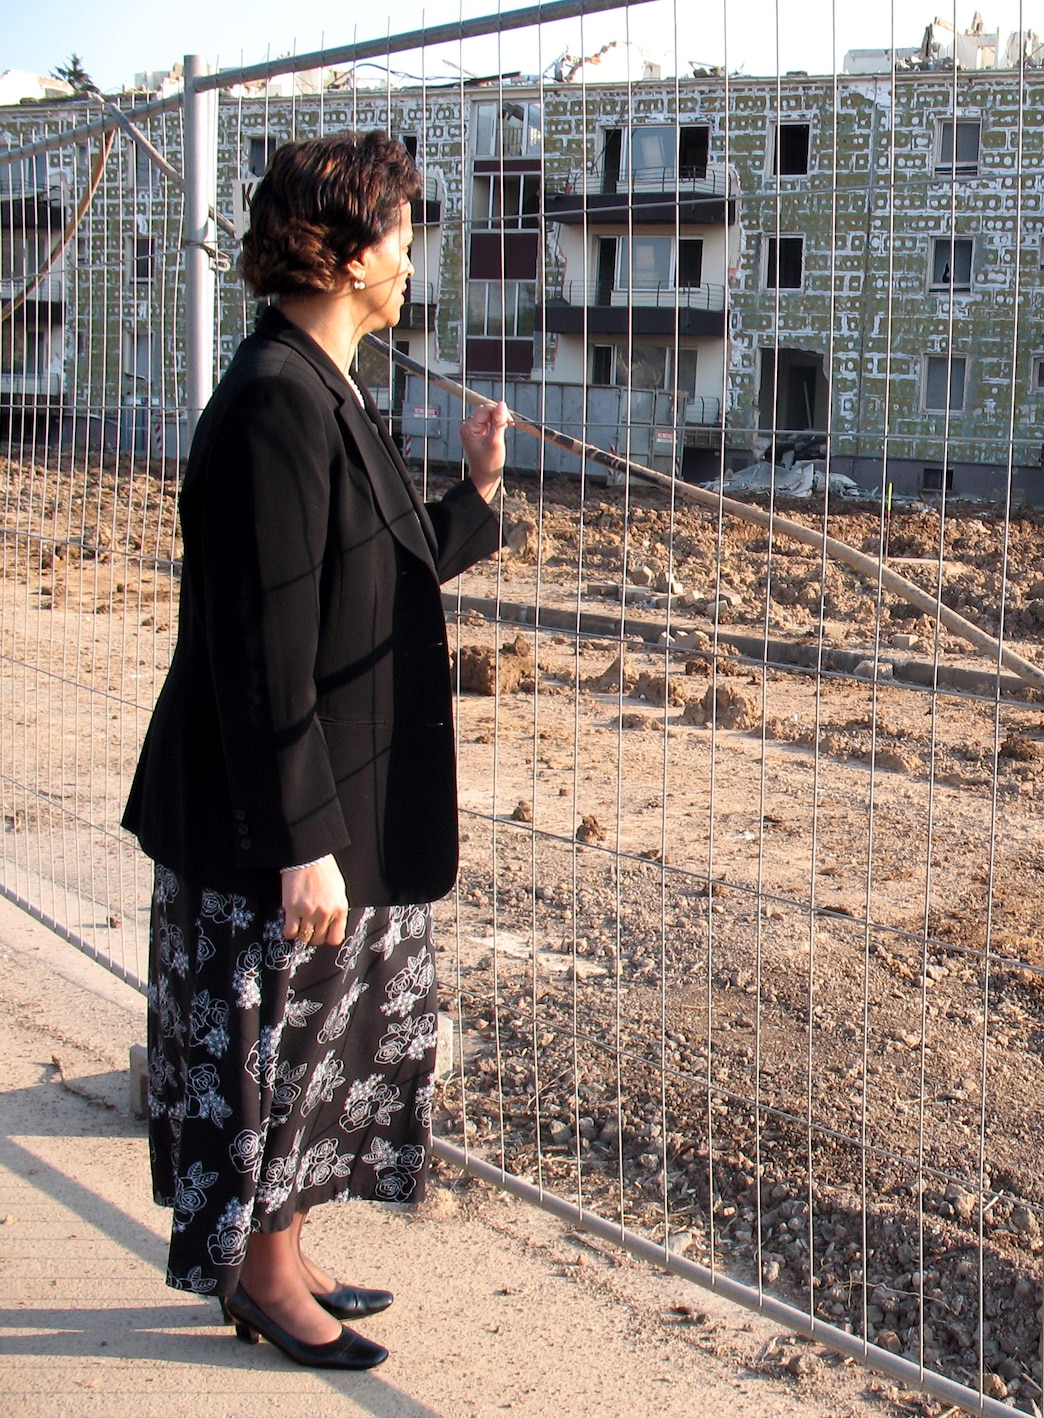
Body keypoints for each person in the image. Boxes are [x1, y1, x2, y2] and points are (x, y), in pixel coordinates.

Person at [122, 130, 511, 1370]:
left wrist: (476, 498)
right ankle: (261, 1272)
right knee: (272, 1041)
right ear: (345, 254)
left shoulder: (324, 383)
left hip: (332, 798)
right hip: (275, 819)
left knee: (318, 1037)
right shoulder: (274, 405)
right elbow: (261, 644)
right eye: (399, 237)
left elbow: (368, 581)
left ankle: (285, 1247)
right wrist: (302, 843)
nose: (412, 261)